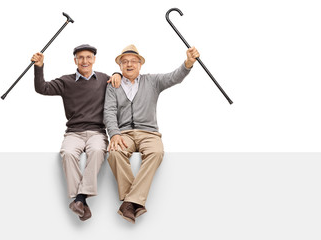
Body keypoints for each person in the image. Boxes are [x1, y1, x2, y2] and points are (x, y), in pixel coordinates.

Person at [104, 44, 200, 223]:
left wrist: (188, 63)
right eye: (125, 62)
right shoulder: (113, 84)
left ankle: (128, 202)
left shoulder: (153, 81)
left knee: (156, 153)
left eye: (133, 61)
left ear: (140, 65)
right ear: (119, 66)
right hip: (123, 133)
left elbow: (174, 77)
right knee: (115, 153)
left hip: (149, 133)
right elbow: (108, 111)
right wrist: (114, 134)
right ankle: (133, 201)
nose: (129, 64)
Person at [31, 44, 122, 221]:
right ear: (75, 60)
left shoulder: (105, 79)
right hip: (74, 132)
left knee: (97, 151)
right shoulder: (66, 81)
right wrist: (39, 66)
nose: (85, 61)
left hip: (97, 132)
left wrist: (117, 74)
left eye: (88, 57)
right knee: (67, 153)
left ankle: (79, 199)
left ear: (94, 59)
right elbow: (42, 88)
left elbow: (122, 83)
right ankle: (81, 201)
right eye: (80, 58)